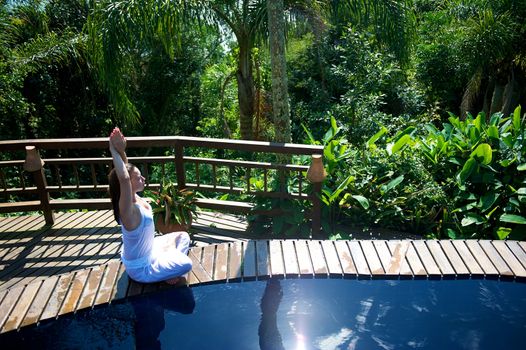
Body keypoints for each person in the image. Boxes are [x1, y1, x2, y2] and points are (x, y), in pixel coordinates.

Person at [108, 127, 192, 284]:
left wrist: (122, 151)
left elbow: (127, 171)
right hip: (141, 269)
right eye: (139, 178)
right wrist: (112, 148)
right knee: (186, 264)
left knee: (183, 236)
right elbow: (124, 178)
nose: (144, 179)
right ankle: (169, 271)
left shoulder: (133, 198)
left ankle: (168, 268)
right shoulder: (128, 212)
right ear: (128, 185)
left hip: (151, 249)